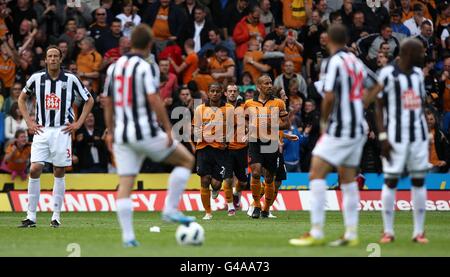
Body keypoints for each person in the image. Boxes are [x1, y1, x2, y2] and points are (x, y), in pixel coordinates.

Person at [102, 24, 195, 247]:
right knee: (186, 160)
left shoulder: (114, 67)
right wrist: (169, 128)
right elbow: (154, 99)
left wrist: (111, 131)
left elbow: (107, 102)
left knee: (125, 183)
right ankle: (170, 209)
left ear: (131, 42)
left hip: (122, 134)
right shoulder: (145, 67)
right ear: (150, 44)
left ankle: (128, 238)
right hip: (144, 130)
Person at [289, 24, 380, 247]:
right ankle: (350, 233)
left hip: (341, 127)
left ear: (328, 40)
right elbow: (377, 84)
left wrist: (323, 121)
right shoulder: (354, 61)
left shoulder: (332, 62)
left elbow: (328, 96)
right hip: (358, 126)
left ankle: (317, 231)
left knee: (316, 173)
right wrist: (360, 104)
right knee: (348, 179)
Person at [17, 45, 94, 228]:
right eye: (49, 56)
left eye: (55, 56)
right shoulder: (36, 78)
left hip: (62, 130)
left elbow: (89, 99)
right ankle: (31, 217)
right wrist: (29, 122)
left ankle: (56, 216)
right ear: (45, 59)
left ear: (60, 60)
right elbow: (21, 99)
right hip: (42, 130)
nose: (52, 59)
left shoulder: (70, 79)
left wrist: (78, 123)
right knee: (35, 169)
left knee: (58, 171)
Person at [376, 38, 431, 244]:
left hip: (418, 137)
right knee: (391, 180)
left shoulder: (418, 74)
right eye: (421, 52)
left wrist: (427, 133)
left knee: (419, 180)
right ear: (409, 52)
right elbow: (379, 107)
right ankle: (388, 232)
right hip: (395, 137)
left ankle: (419, 232)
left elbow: (422, 105)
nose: (424, 56)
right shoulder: (387, 74)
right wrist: (383, 137)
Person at [244, 74, 289, 218]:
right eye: (266, 83)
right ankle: (256, 205)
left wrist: (272, 124)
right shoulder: (249, 103)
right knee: (256, 172)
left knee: (269, 178)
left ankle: (266, 208)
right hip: (255, 141)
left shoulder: (279, 103)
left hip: (271, 142)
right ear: (259, 87)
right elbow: (244, 120)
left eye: (270, 83)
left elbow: (286, 124)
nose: (269, 85)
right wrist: (248, 128)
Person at [193, 82, 233, 220]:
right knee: (205, 180)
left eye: (217, 91)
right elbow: (195, 130)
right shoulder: (199, 109)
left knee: (216, 183)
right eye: (212, 91)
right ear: (208, 93)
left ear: (222, 92)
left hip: (221, 151)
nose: (215, 94)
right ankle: (208, 213)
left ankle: (216, 189)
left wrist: (226, 141)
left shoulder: (229, 109)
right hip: (203, 148)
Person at [223, 84, 248, 215]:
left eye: (234, 91)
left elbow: (252, 124)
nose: (232, 93)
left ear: (238, 93)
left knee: (243, 182)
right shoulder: (221, 108)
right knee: (227, 179)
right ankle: (230, 206)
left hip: (242, 148)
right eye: (229, 91)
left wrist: (249, 134)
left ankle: (236, 194)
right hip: (226, 149)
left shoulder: (244, 108)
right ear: (225, 94)